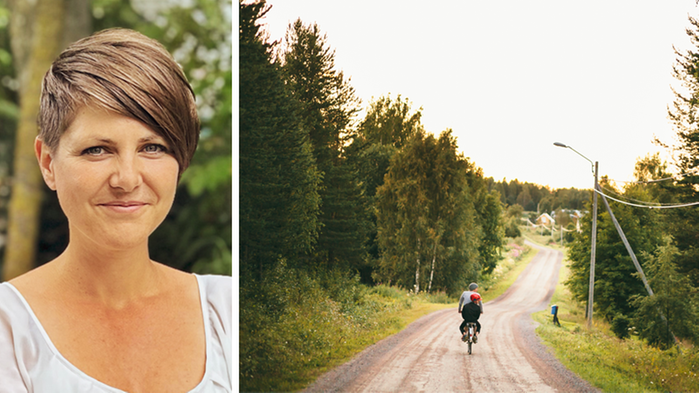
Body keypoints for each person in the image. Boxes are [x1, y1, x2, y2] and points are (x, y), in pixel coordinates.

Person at [0, 28, 231, 392]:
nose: (126, 178)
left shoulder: (227, 310)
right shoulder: (8, 328)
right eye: (97, 149)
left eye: (153, 147)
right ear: (48, 163)